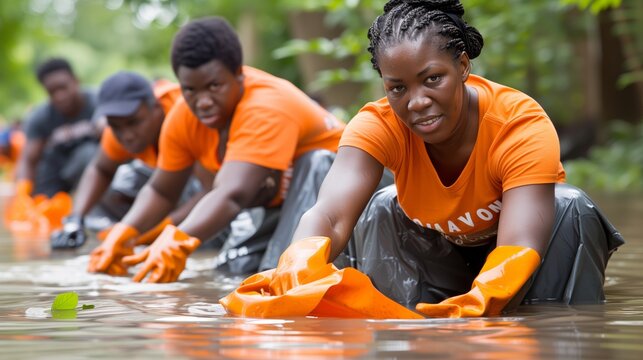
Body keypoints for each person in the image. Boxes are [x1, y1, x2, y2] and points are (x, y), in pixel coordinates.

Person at [265, 0, 624, 318]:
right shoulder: (378, 125)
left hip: (521, 257)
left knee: (573, 207)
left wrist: (480, 303)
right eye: (398, 88)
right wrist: (297, 265)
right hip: (438, 254)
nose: (417, 102)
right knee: (382, 207)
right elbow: (329, 214)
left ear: (463, 67)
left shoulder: (518, 123)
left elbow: (519, 245)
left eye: (433, 79)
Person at [87, 16, 346, 281]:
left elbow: (232, 194)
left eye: (214, 86)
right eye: (190, 90)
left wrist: (180, 239)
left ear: (238, 75)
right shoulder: (183, 117)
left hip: (344, 195)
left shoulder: (265, 107)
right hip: (277, 204)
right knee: (233, 270)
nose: (203, 102)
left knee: (281, 277)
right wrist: (126, 230)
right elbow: (161, 190)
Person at [49, 71, 201, 250]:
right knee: (111, 194)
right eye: (115, 127)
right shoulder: (120, 126)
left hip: (217, 183)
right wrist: (75, 220)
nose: (126, 135)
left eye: (134, 123)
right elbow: (100, 170)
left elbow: (211, 191)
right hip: (169, 187)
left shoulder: (186, 115)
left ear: (156, 109)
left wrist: (158, 231)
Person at [15, 58, 100, 198]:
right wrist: (23, 192)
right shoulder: (40, 116)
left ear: (76, 81)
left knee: (89, 153)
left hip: (92, 169)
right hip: (58, 172)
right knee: (43, 174)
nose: (59, 96)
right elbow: (29, 160)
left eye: (63, 87)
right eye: (52, 92)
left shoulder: (97, 102)